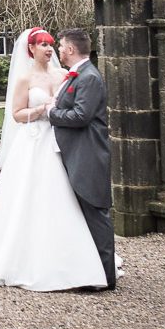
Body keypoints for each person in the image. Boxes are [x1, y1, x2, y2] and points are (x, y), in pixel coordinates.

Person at [0, 27, 108, 292]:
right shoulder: (25, 79)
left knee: (63, 196)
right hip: (34, 141)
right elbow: (17, 114)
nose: (48, 49)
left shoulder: (66, 75)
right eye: (42, 44)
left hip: (61, 141)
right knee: (29, 196)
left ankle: (73, 258)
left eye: (51, 44)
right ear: (30, 49)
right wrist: (42, 110)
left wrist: (56, 112)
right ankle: (25, 258)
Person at [45, 28, 117, 290]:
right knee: (82, 215)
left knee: (95, 213)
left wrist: (51, 112)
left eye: (61, 46)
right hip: (77, 153)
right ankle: (88, 273)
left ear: (72, 49)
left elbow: (80, 117)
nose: (59, 50)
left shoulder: (89, 78)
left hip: (88, 154)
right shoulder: (79, 76)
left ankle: (105, 277)